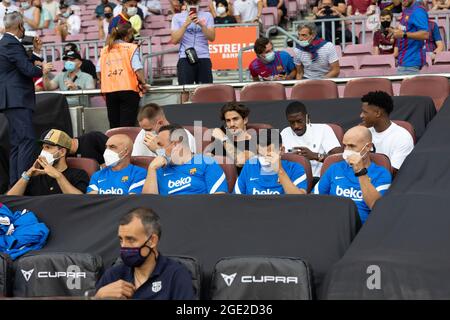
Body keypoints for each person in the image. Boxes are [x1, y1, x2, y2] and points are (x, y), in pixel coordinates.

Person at [95, 207, 195, 299]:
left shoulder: (176, 275)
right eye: (121, 239)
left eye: (131, 239)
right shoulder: (113, 275)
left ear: (152, 241)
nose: (123, 246)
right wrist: (98, 297)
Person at [0, 12, 52, 186]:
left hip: (12, 100)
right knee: (27, 140)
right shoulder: (11, 44)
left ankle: (15, 185)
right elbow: (28, 70)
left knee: (17, 142)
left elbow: (22, 63)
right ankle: (23, 182)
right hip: (17, 99)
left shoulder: (7, 43)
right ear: (21, 26)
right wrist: (42, 70)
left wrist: (36, 52)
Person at [314, 126, 392, 224]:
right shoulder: (334, 168)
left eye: (351, 146)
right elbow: (314, 198)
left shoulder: (381, 173)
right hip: (331, 223)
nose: (346, 150)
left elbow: (376, 207)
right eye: (345, 145)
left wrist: (360, 172)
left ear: (368, 147)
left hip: (361, 228)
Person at [142, 124, 228, 195]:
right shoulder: (158, 169)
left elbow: (219, 199)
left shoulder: (206, 163)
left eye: (160, 146)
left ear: (176, 144)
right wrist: (152, 168)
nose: (157, 150)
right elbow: (148, 204)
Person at [6, 129, 89, 196]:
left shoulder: (78, 174)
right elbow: (10, 200)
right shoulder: (36, 175)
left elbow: (80, 200)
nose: (43, 151)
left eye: (48, 147)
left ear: (62, 152)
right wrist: (27, 175)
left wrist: (58, 176)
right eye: (43, 148)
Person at [98, 22, 148, 129]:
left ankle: (114, 145)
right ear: (128, 35)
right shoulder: (131, 48)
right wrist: (143, 83)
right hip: (128, 90)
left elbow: (98, 70)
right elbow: (138, 69)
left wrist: (103, 81)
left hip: (110, 91)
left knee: (114, 126)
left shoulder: (105, 50)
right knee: (127, 126)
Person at [281, 101, 341, 181]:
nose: (296, 126)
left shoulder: (323, 129)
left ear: (307, 118)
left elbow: (339, 158)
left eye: (299, 121)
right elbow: (272, 159)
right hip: (293, 179)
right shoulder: (284, 132)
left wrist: (314, 156)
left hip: (319, 179)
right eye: (292, 123)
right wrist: (290, 158)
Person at [235, 129, 308, 195]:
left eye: (269, 154)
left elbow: (300, 200)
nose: (265, 158)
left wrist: (280, 171)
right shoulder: (249, 166)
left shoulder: (295, 168)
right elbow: (236, 199)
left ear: (281, 150)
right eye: (260, 154)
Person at [171, 0, 215, 102]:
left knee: (206, 90)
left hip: (203, 57)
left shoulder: (207, 16)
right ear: (185, 2)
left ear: (199, 2)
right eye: (190, 2)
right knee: (184, 90)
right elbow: (174, 40)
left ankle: (206, 115)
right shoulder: (177, 17)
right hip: (185, 57)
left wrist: (201, 25)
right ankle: (183, 115)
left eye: (194, 2)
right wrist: (185, 24)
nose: (192, 5)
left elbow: (212, 38)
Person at [360, 91, 414, 173]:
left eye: (365, 112)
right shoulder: (363, 133)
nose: (361, 115)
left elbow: (391, 172)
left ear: (378, 113)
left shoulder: (402, 137)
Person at [132, 103, 196, 157]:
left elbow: (184, 163)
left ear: (160, 123)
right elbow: (136, 158)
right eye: (143, 129)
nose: (145, 133)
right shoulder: (143, 132)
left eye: (148, 129)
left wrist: (158, 151)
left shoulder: (184, 135)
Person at [210, 102, 256, 174]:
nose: (231, 124)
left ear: (245, 120)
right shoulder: (223, 141)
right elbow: (208, 160)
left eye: (235, 119)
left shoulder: (255, 142)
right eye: (228, 120)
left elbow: (240, 161)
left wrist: (223, 138)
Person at [390, 0, 429, 75]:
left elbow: (425, 34)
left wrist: (403, 34)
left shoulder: (418, 11)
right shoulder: (406, 9)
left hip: (411, 63)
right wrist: (394, 31)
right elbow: (406, 29)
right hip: (403, 61)